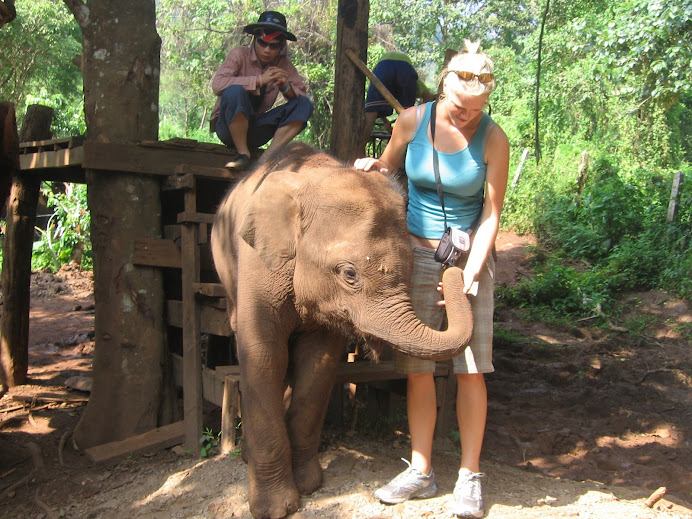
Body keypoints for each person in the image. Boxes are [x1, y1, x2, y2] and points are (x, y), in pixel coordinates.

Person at [354, 40, 509, 518]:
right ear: (444, 88)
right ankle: (421, 470)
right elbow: (391, 170)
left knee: (470, 368)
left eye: (478, 108)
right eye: (461, 107)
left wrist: (471, 273)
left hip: (468, 259)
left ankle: (469, 475)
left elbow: (491, 213)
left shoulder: (494, 138)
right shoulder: (411, 122)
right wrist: (372, 167)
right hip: (416, 256)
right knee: (419, 365)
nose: (468, 116)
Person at [210, 11, 313, 170]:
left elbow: (300, 96)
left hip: (255, 128)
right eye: (262, 43)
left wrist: (285, 86)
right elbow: (218, 85)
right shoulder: (239, 55)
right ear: (254, 40)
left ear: (281, 46)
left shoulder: (283, 64)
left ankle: (266, 158)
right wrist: (258, 80)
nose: (267, 50)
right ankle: (243, 154)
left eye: (273, 46)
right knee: (234, 92)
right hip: (227, 127)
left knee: (304, 105)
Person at [360, 51, 435, 156]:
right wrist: (422, 120)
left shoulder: (381, 70)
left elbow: (376, 106)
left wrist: (386, 122)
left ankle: (358, 152)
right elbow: (428, 96)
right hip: (406, 68)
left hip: (384, 65)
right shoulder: (409, 72)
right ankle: (406, 156)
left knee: (370, 114)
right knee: (408, 115)